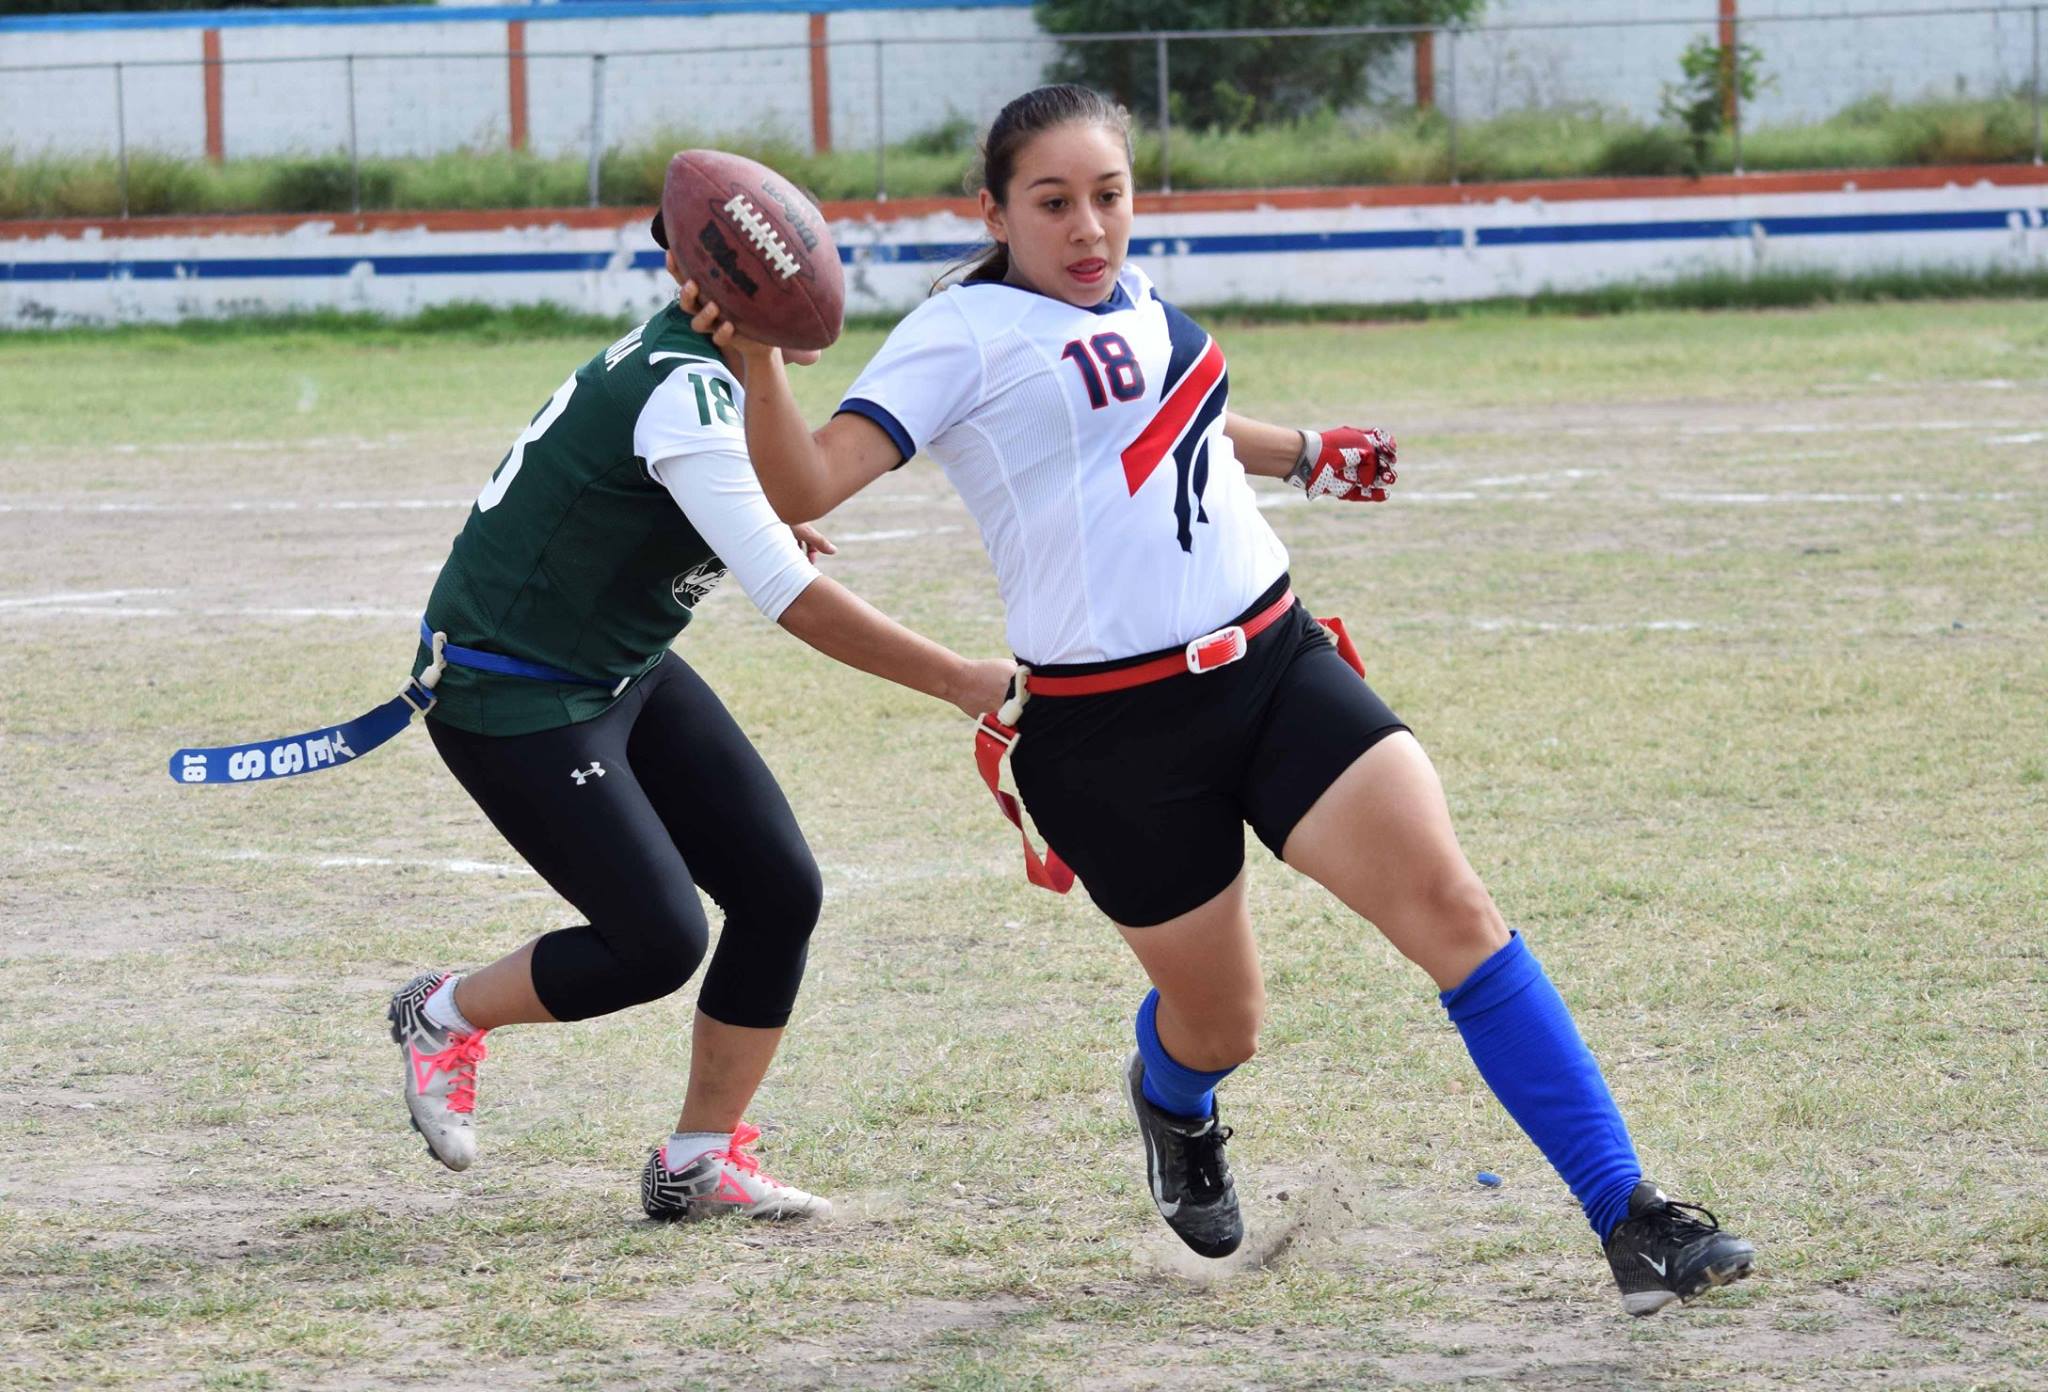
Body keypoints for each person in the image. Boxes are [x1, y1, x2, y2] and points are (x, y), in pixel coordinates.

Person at [682, 83, 1757, 1313]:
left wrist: (1299, 450)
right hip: (1110, 738)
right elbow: (808, 483)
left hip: (1272, 665)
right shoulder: (957, 337)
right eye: (1052, 204)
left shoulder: (1126, 296)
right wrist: (756, 350)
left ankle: (1630, 1216)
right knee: (1221, 1025)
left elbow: (1158, 403)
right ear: (991, 211)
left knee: (1454, 909)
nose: (1089, 228)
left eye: (1109, 196)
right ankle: (1173, 1103)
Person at [385, 191, 1013, 1223]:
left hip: (616, 670)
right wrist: (956, 678)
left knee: (778, 891)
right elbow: (791, 598)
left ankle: (698, 1160)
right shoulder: (686, 393)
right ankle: (440, 1013)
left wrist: (751, 490)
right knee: (655, 942)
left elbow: (749, 479)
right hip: (517, 697)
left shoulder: (703, 366)